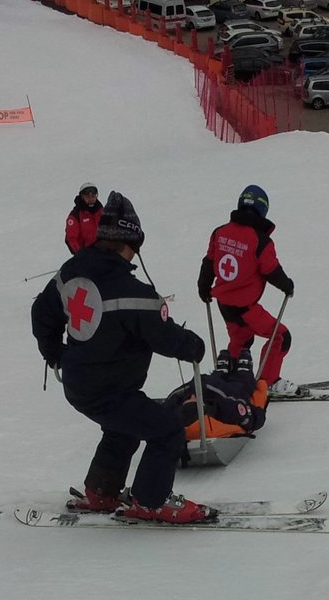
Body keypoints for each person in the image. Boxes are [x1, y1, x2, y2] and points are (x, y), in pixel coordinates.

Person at [31, 191, 215, 524]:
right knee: (168, 431)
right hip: (111, 389)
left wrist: (56, 356)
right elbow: (165, 337)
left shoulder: (70, 273)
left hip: (80, 384)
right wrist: (193, 346)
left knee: (124, 428)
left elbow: (40, 312)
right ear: (129, 242)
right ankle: (151, 500)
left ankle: (101, 492)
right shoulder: (135, 295)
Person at [197, 184, 296, 395]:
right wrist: (287, 285)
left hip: (224, 305)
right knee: (281, 337)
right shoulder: (261, 241)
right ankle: (267, 383)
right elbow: (271, 270)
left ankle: (230, 378)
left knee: (242, 340)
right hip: (246, 307)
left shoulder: (219, 233)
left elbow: (209, 262)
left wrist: (203, 286)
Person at [63, 182, 103, 255]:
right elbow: (71, 238)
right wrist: (80, 254)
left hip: (104, 253)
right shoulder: (76, 216)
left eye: (93, 196)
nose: (91, 199)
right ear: (82, 197)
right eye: (87, 196)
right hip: (87, 255)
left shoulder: (102, 212)